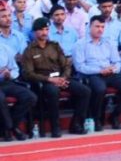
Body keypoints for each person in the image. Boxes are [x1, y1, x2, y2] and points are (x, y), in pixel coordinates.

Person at [20, 18, 90, 137]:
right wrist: (49, 80)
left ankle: (76, 124)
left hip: (61, 78)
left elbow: (66, 65)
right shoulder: (29, 50)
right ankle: (55, 127)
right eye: (41, 30)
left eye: (47, 29)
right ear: (35, 32)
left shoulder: (54, 45)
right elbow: (28, 73)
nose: (44, 32)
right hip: (45, 81)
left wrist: (63, 78)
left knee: (85, 91)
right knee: (53, 92)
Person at [72, 16, 121, 130]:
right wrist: (100, 70)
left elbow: (117, 61)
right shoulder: (80, 44)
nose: (100, 29)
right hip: (92, 74)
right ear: (89, 27)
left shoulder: (109, 42)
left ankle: (115, 116)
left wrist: (114, 69)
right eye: (97, 26)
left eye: (102, 27)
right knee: (100, 89)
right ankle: (96, 119)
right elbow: (80, 67)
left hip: (109, 73)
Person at [0, 9, 36, 141]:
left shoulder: (3, 48)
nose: (8, 19)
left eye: (9, 16)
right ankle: (11, 128)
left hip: (6, 82)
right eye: (4, 16)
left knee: (30, 97)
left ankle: (9, 127)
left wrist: (10, 74)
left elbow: (14, 68)